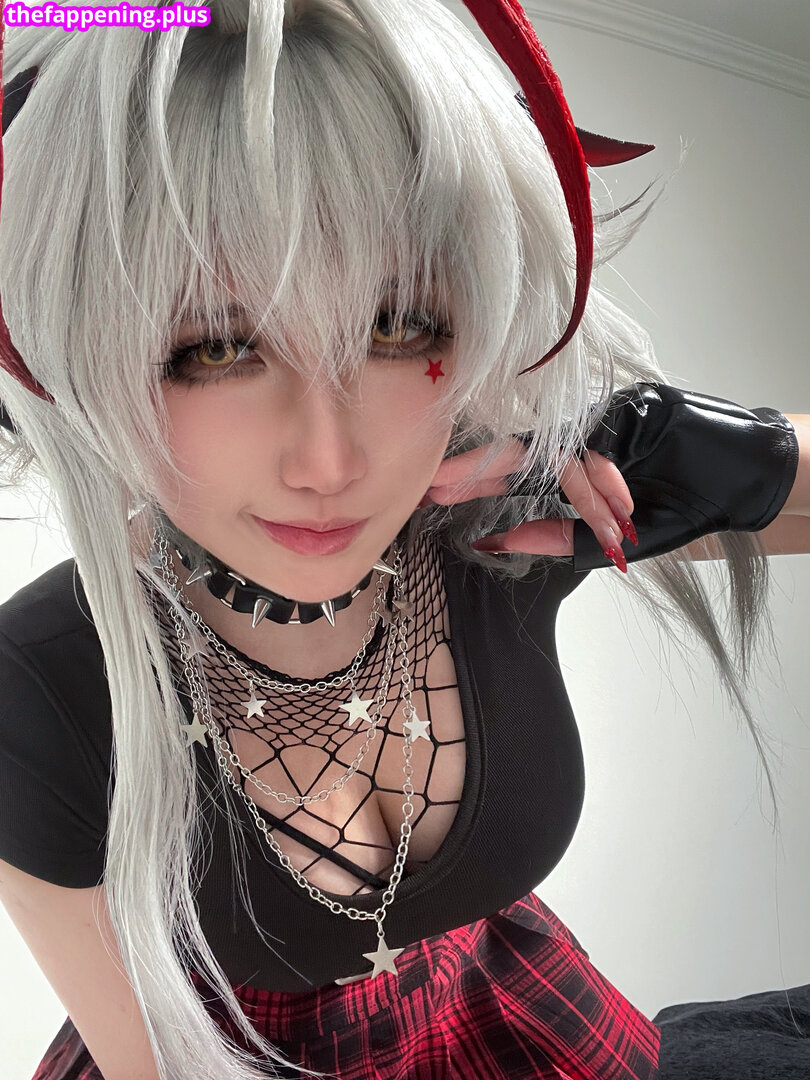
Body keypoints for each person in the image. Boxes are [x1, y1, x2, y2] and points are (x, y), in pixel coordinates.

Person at [0, 1, 805, 1079]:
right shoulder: (38, 684)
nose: (330, 462)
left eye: (396, 326)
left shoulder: (498, 533)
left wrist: (753, 458)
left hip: (528, 1022)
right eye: (218, 347)